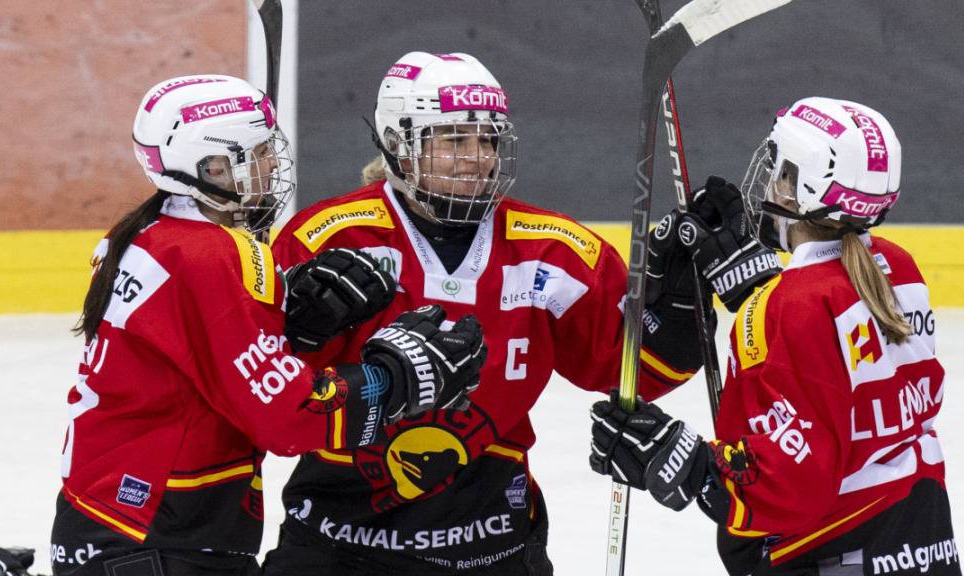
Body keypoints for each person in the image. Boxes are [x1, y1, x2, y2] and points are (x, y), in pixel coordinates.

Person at [0, 74, 490, 576]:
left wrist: (288, 328)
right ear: (210, 170)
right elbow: (287, 417)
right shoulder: (215, 254)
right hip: (162, 530)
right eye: (255, 155)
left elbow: (201, 366)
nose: (273, 168)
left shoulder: (145, 234)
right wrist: (394, 379)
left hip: (118, 518)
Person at [261, 51, 709, 575]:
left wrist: (680, 311)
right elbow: (267, 387)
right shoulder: (327, 239)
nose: (477, 157)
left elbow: (632, 368)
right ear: (401, 147)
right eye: (454, 139)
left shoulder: (556, 251)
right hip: (337, 540)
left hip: (490, 541)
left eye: (488, 139)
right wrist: (301, 336)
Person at [589, 97, 960, 575]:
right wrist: (757, 295)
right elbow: (843, 378)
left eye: (781, 172)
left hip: (830, 552)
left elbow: (792, 481)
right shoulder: (898, 268)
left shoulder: (791, 306)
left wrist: (688, 462)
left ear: (800, 186)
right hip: (921, 539)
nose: (771, 183)